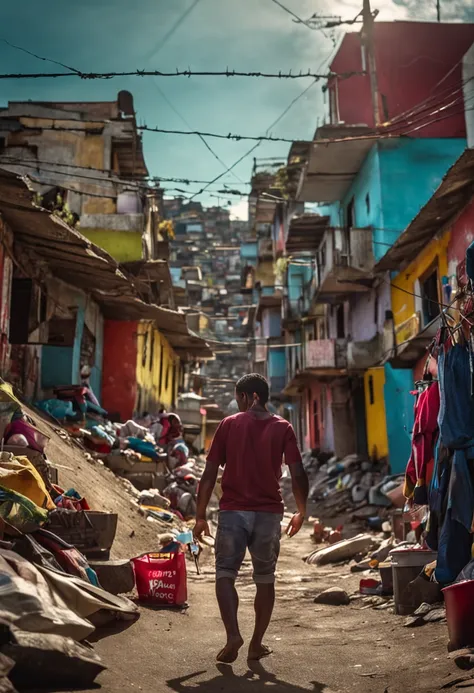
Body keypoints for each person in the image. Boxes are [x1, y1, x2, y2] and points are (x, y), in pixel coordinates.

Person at [194, 373, 309, 664]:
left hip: (233, 511)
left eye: (239, 398)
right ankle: (256, 644)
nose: (238, 404)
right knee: (265, 578)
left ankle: (233, 635)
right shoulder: (283, 427)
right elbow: (298, 473)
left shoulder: (229, 425)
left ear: (250, 396)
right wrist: (301, 510)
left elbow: (208, 475)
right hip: (269, 514)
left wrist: (199, 516)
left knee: (224, 574)